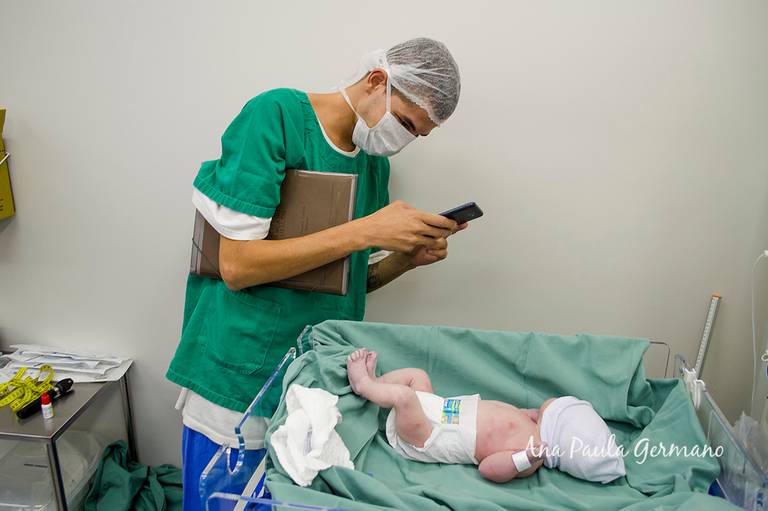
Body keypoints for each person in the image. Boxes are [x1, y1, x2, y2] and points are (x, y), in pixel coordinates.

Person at [166, 38, 464, 509]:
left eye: (417, 134)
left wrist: (404, 260)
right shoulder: (276, 116)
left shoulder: (374, 167)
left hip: (310, 387)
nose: (403, 139)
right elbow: (236, 265)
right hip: (238, 376)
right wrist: (366, 230)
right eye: (405, 122)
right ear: (376, 81)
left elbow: (346, 284)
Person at [346, 348, 627, 484]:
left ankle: (364, 386)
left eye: (555, 409)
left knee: (405, 397)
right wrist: (524, 414)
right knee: (417, 377)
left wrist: (522, 459)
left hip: (430, 437)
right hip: (441, 410)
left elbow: (489, 469)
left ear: (560, 436)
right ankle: (377, 383)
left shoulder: (532, 456)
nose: (549, 403)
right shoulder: (530, 422)